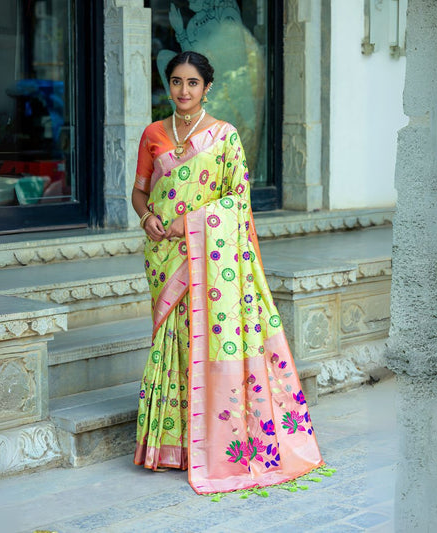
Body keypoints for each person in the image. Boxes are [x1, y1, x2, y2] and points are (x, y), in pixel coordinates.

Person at [132, 51, 324, 495]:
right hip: (165, 256)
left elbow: (238, 200)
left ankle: (215, 442)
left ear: (207, 88)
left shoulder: (224, 136)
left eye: (192, 83)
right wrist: (148, 219)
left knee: (206, 334)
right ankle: (171, 446)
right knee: (172, 339)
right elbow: (140, 191)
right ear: (169, 85)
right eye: (177, 82)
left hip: (207, 257)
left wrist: (190, 222)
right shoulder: (153, 134)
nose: (183, 91)